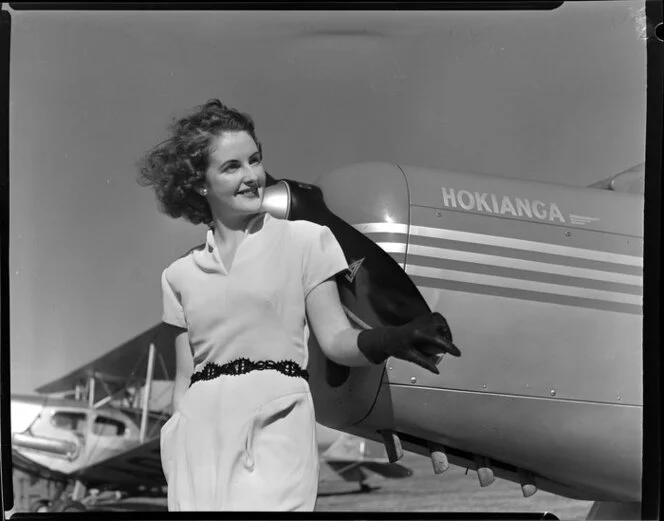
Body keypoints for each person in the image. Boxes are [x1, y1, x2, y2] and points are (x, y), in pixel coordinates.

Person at [138, 99, 460, 511]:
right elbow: (186, 379)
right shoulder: (179, 275)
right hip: (199, 438)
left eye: (255, 160)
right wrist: (176, 444)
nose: (252, 176)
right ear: (201, 184)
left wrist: (389, 338)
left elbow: (336, 339)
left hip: (278, 420)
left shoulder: (306, 240)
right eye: (232, 166)